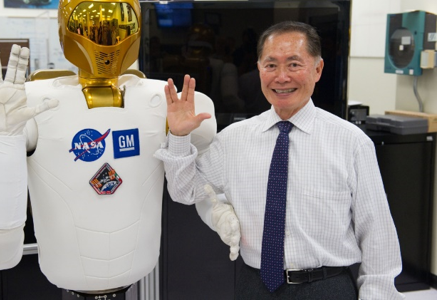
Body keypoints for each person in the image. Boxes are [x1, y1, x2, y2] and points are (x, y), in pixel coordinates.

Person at [0, 0, 224, 299]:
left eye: (117, 27)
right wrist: (1, 137)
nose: (106, 39)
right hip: (67, 266)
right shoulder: (30, 105)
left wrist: (179, 137)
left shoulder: (163, 101)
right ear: (66, 30)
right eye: (93, 27)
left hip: (138, 263)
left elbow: (190, 186)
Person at [155, 21, 403, 299]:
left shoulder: (352, 142)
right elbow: (184, 191)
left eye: (294, 64)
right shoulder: (233, 140)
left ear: (318, 69)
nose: (281, 77)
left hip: (327, 287)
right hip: (255, 285)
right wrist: (178, 136)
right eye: (271, 65)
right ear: (259, 69)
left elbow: (377, 234)